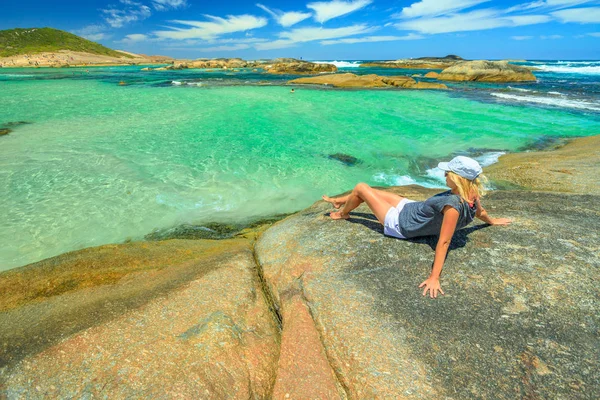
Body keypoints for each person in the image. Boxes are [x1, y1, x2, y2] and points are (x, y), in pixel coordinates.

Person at [322, 156, 511, 299]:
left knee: (362, 188)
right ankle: (340, 201)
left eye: (448, 173)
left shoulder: (453, 206)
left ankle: (342, 213)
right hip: (413, 208)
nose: (444, 175)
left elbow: (444, 241)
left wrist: (434, 277)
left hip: (401, 223)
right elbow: (480, 212)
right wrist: (492, 221)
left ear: (458, 178)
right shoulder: (471, 193)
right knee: (377, 192)